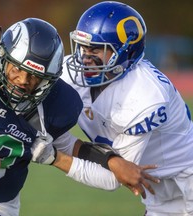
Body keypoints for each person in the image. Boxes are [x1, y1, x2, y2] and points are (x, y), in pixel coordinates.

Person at [0, 18, 159, 216]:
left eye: (35, 76)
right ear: (1, 61)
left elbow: (71, 146)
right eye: (17, 69)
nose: (23, 81)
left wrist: (112, 161)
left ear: (51, 81)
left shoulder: (52, 105)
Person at [61, 1, 193, 215]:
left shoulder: (144, 96)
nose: (84, 58)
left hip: (186, 184)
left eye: (96, 49)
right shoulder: (73, 73)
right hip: (159, 193)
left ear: (125, 53)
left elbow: (113, 177)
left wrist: (52, 156)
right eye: (82, 46)